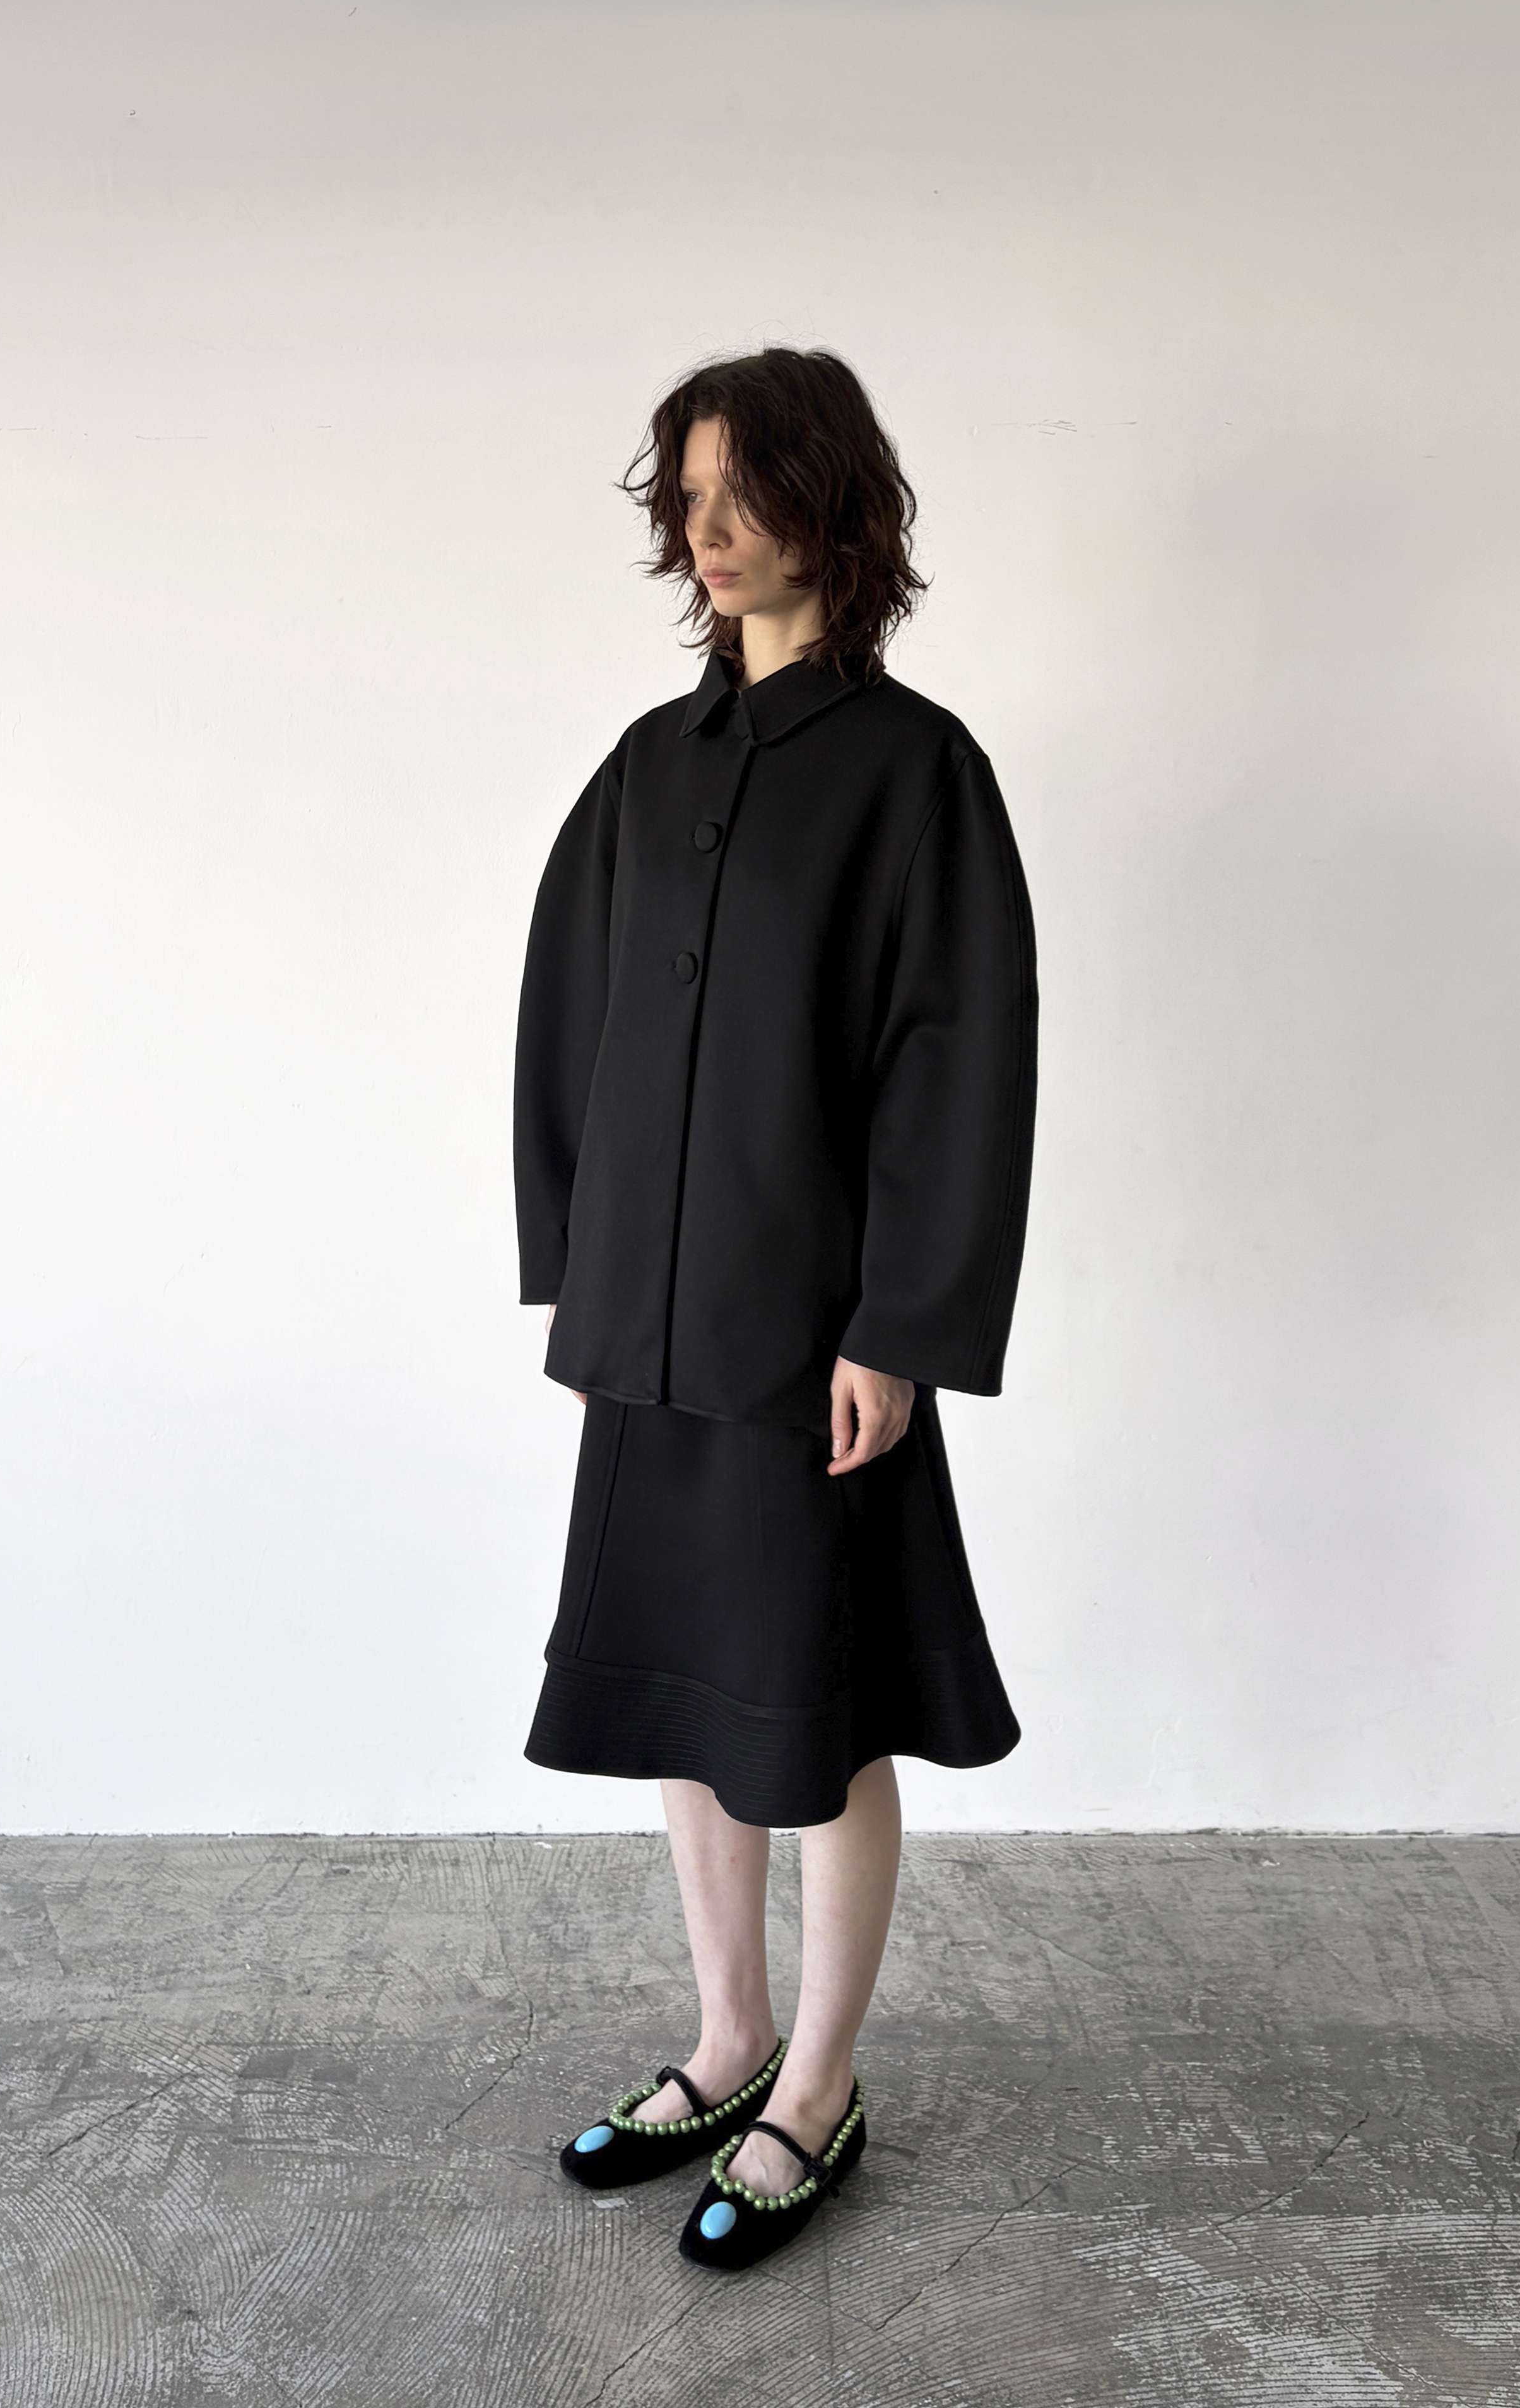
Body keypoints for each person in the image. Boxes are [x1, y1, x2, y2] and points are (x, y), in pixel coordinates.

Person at [512, 345, 1038, 2273]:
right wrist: (583, 1273)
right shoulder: (650, 770)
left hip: (814, 1342)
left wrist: (900, 1323)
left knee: (821, 1710)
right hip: (651, 1336)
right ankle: (727, 2038)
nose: (711, 532)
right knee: (686, 1682)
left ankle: (818, 2086)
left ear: (834, 502)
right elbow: (566, 1017)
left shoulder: (916, 773)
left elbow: (955, 1062)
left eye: (744, 492)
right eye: (689, 498)